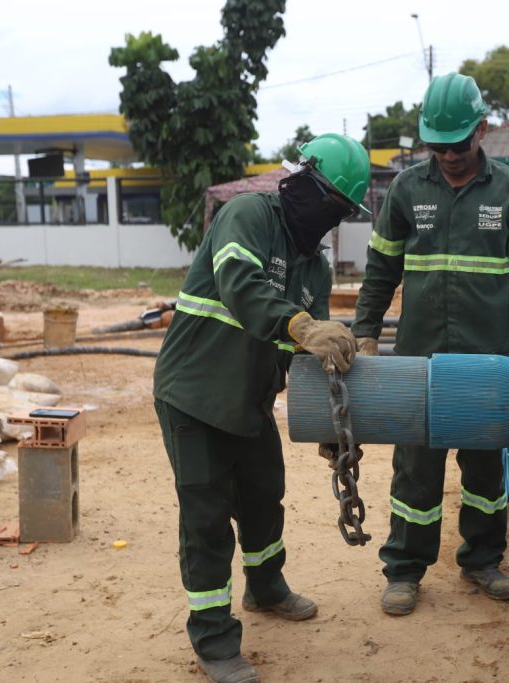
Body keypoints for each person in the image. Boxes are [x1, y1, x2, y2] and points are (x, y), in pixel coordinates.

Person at [152, 133, 369, 683]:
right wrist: (299, 324)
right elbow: (239, 283)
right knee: (205, 521)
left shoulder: (314, 270)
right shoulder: (247, 216)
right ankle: (215, 640)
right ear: (301, 181)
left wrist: (330, 425)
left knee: (263, 496)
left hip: (248, 399)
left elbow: (310, 361)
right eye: (328, 201)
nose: (329, 216)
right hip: (193, 395)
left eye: (340, 211)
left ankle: (267, 588)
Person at [352, 72, 509, 616]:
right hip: (419, 361)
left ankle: (483, 560)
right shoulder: (406, 190)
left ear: (482, 131)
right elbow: (380, 270)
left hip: (488, 362)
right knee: (415, 468)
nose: (448, 156)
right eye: (437, 146)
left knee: (485, 470)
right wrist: (365, 331)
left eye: (458, 145)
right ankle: (404, 570)